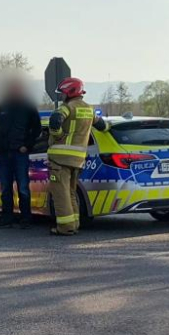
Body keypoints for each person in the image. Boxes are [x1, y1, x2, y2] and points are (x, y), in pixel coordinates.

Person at [48, 77, 107, 235]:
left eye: (62, 93)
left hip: (60, 158)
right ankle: (74, 224)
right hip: (78, 159)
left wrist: (58, 134)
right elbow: (103, 126)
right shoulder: (89, 110)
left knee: (60, 194)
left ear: (69, 91)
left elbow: (55, 120)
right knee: (71, 192)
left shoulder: (67, 107)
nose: (61, 96)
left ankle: (65, 227)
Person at [0, 77, 42, 229]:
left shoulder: (28, 107)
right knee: (5, 187)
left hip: (20, 153)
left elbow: (37, 129)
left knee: (23, 187)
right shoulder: (3, 106)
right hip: (3, 154)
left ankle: (25, 218)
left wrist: (27, 145)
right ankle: (7, 218)